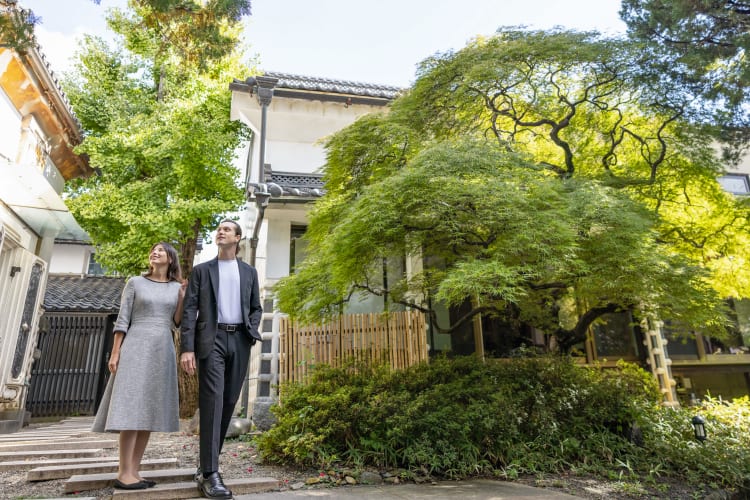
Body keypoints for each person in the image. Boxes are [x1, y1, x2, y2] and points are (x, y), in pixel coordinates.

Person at [92, 242, 187, 490]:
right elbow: (123, 318)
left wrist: (182, 298)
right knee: (132, 409)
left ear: (171, 258)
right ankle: (123, 472)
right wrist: (115, 352)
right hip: (135, 345)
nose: (155, 252)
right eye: (153, 250)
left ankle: (134, 471)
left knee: (148, 411)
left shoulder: (176, 287)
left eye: (161, 250)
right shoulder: (135, 282)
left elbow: (176, 322)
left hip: (162, 348)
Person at [180, 219, 262, 499]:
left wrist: (250, 331)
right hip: (211, 340)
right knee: (212, 401)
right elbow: (189, 310)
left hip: (239, 339)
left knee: (228, 402)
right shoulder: (202, 271)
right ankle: (211, 474)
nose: (221, 232)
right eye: (219, 229)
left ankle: (206, 466)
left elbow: (256, 307)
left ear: (237, 238)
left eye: (227, 229)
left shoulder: (249, 272)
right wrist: (187, 348)